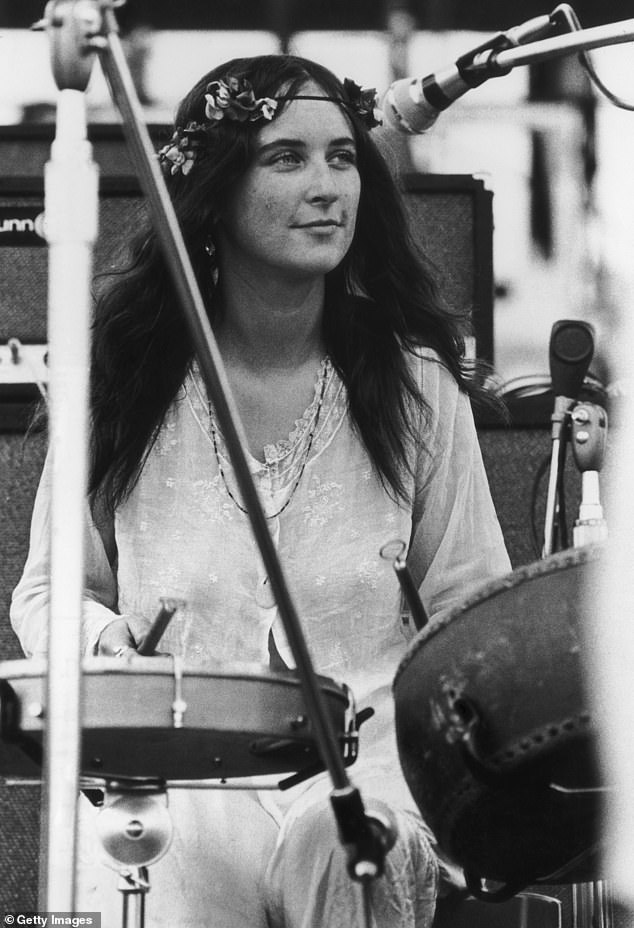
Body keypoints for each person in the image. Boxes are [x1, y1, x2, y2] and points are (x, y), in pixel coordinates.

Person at [11, 54, 511, 928]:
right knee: (159, 868)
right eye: (287, 158)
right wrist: (120, 652)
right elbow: (53, 593)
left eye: (343, 157)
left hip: (365, 782)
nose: (328, 187)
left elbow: (471, 611)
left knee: (345, 841)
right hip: (178, 783)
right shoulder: (117, 381)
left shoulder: (417, 384)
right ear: (215, 192)